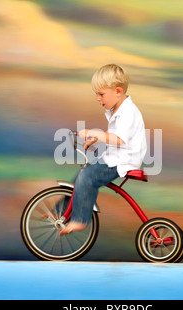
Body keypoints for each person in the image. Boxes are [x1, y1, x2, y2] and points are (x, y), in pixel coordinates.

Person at [60, 63, 147, 235]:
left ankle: (80, 220)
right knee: (80, 178)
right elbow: (115, 135)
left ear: (118, 91)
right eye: (97, 94)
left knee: (86, 177)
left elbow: (119, 139)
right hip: (114, 158)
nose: (98, 98)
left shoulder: (128, 112)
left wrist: (93, 133)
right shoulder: (118, 110)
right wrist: (95, 140)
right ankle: (61, 215)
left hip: (123, 162)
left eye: (101, 94)